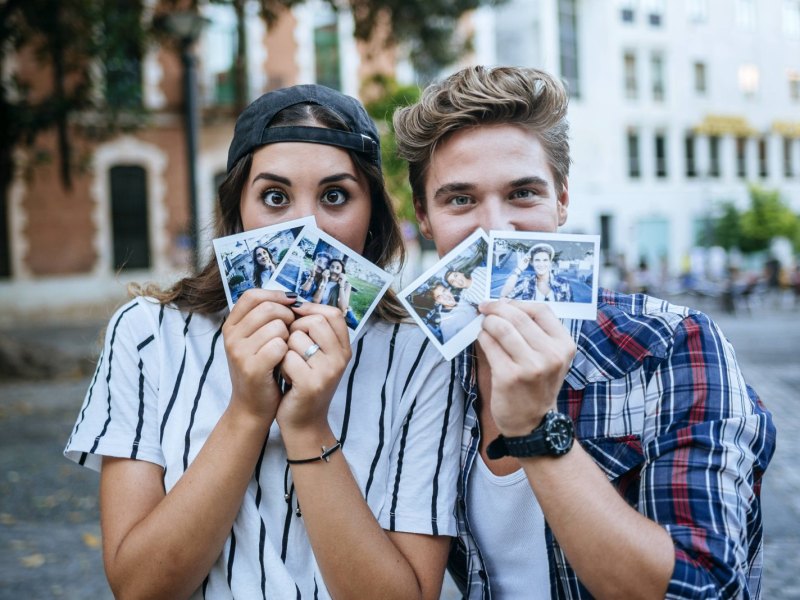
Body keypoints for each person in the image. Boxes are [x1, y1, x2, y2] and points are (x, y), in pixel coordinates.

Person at [64, 84, 462, 600]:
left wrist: (307, 425)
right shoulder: (147, 335)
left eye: (335, 196)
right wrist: (248, 413)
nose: (304, 227)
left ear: (373, 219)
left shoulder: (420, 356)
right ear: (238, 211)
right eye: (275, 197)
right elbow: (139, 587)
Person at [393, 65, 775, 599]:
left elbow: (697, 588)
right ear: (425, 219)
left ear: (562, 201)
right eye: (460, 199)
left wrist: (534, 426)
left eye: (523, 193)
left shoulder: (671, 345)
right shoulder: (421, 365)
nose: (496, 226)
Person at [500, 243, 573, 302]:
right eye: (537, 260)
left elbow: (570, 309)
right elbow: (503, 295)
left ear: (550, 262)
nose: (541, 264)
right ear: (532, 262)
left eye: (545, 260)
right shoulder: (527, 283)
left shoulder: (564, 284)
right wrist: (519, 269)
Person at [313, 257, 358, 329]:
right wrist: (324, 281)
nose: (334, 270)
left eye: (337, 268)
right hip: (322, 314)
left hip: (336, 318)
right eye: (332, 267)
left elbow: (343, 308)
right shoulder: (324, 279)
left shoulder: (346, 285)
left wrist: (341, 285)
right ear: (328, 268)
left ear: (342, 272)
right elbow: (315, 301)